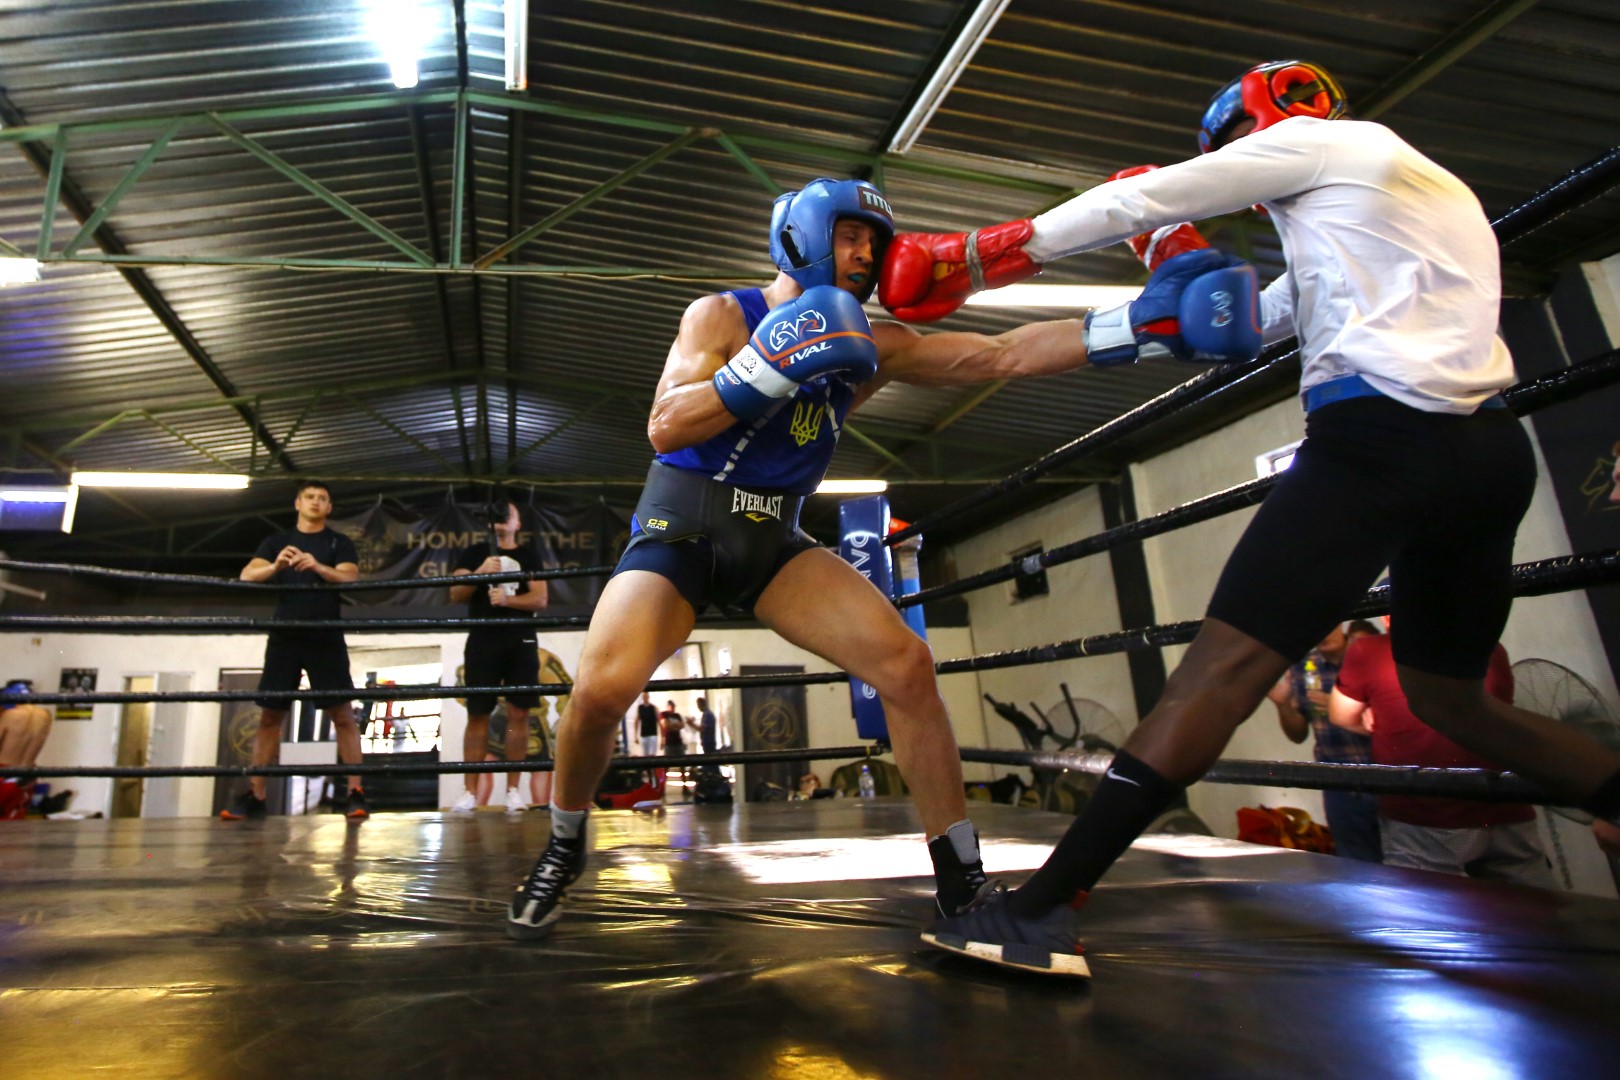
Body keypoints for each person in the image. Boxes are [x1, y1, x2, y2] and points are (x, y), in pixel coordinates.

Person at [891, 59, 1620, 977]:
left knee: (1216, 674)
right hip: (1487, 453)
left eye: (1236, 145)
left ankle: (1037, 915)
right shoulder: (1415, 191)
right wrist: (1150, 310)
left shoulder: (1321, 143)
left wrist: (976, 255)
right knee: (1451, 698)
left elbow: (1142, 198)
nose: (1241, 167)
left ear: (1273, 116)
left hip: (1377, 442)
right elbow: (1260, 320)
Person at [504, 176, 1258, 941]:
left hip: (773, 539)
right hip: (681, 530)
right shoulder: (724, 315)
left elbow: (998, 355)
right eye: (849, 235)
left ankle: (960, 879)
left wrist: (1133, 327)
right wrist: (767, 366)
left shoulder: (873, 343)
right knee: (600, 690)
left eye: (874, 242)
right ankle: (564, 844)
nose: (865, 254)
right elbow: (665, 426)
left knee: (906, 664)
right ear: (801, 235)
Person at [1330, 622, 1552, 886]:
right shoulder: (1491, 647)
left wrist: (1379, 718)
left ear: (1389, 616)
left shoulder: (1370, 650)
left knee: (1424, 905)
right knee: (1533, 904)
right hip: (1506, 805)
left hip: (1427, 814)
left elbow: (1340, 714)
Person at [225, 481, 368, 821]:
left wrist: (317, 566)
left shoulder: (338, 542)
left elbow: (350, 578)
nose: (316, 502)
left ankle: (356, 793)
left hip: (325, 635)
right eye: (310, 497)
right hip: (285, 635)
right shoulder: (278, 541)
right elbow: (247, 575)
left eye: (322, 498)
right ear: (297, 503)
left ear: (329, 508)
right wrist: (276, 566)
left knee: (342, 715)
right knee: (270, 716)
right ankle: (256, 794)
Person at [449, 498, 549, 814]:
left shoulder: (528, 555)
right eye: (499, 514)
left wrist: (508, 600)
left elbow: (540, 598)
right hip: (483, 639)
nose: (504, 518)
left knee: (519, 713)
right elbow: (455, 593)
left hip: (520, 639)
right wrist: (480, 573)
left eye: (510, 513)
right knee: (477, 713)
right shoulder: (474, 553)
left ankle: (513, 792)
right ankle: (469, 792)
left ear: (518, 523)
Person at [1265, 625, 1380, 861]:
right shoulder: (1304, 667)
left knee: (1402, 862)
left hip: (1384, 774)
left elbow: (1391, 717)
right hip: (1338, 781)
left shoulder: (1366, 656)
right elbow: (1298, 735)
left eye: (1330, 624)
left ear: (1341, 624)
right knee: (1355, 864)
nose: (1324, 632)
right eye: (1318, 624)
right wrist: (1283, 705)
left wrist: (1337, 707)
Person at [0, 680, 52, 820]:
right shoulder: (45, 715)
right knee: (16, 820)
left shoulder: (9, 714)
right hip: (28, 773)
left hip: (4, 771)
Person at [635, 692, 660, 758]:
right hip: (644, 734)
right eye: (644, 696)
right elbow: (637, 721)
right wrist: (635, 735)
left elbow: (658, 720)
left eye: (646, 696)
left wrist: (663, 736)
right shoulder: (640, 707)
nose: (645, 697)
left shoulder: (653, 707)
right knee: (645, 754)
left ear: (648, 697)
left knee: (652, 754)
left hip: (652, 733)